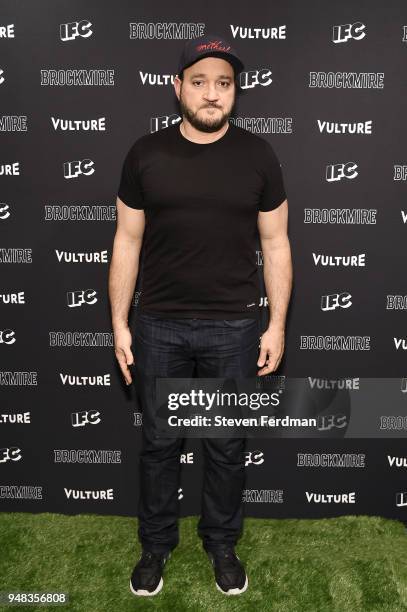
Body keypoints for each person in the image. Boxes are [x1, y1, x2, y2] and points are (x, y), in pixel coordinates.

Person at [108, 33, 292, 597]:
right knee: (160, 443)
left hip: (234, 326)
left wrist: (276, 322)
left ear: (234, 92)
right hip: (158, 323)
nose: (212, 94)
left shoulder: (259, 155)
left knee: (225, 444)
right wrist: (119, 322)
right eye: (200, 82)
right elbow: (127, 241)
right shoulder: (145, 154)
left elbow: (277, 243)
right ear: (177, 88)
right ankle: (155, 547)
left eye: (224, 84)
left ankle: (222, 545)